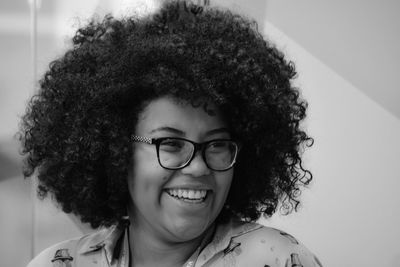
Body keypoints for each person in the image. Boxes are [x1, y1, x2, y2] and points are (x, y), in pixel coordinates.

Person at [20, 1, 321, 266]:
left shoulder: (280, 259)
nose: (199, 166)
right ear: (117, 152)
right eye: (171, 143)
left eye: (216, 144)